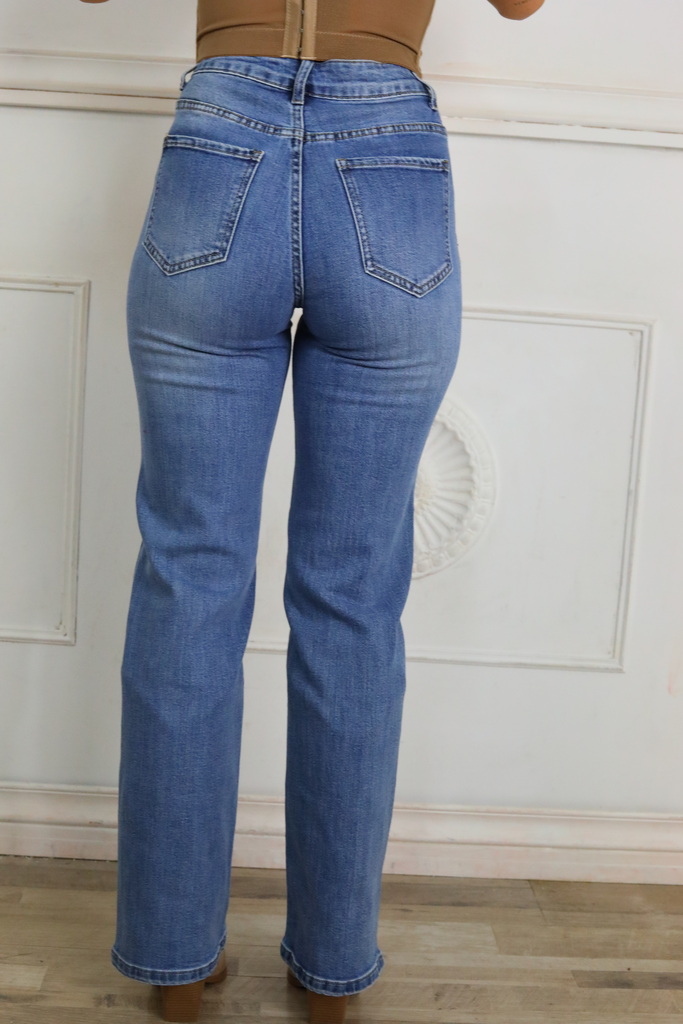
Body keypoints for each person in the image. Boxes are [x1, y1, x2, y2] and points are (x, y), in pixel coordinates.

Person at [80, 1, 546, 1021]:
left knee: (189, 578)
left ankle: (174, 964)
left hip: (220, 145)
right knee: (351, 599)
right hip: (387, 160)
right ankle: (329, 971)